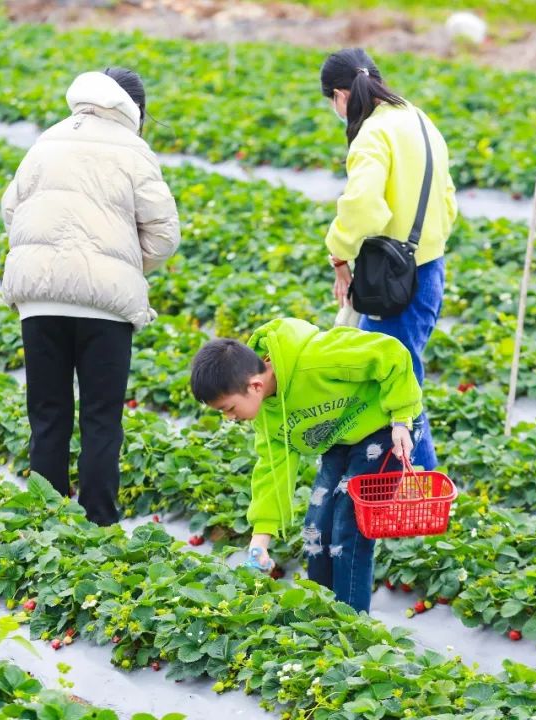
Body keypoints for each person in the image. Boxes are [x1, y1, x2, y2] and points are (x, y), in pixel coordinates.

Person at [0, 68, 180, 525]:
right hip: (105, 307)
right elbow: (164, 233)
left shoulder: (48, 139)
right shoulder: (133, 150)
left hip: (40, 300)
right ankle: (99, 524)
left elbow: (11, 209)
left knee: (47, 415)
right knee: (101, 418)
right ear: (137, 110)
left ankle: (47, 522)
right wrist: (121, 265)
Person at [190, 318, 422, 612]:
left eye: (229, 409)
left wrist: (401, 418)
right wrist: (260, 539)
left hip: (386, 430)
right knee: (316, 527)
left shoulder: (316, 359)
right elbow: (273, 470)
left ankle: (352, 621)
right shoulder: (266, 416)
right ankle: (324, 613)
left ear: (255, 385)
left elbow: (390, 353)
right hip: (340, 437)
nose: (230, 418)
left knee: (348, 525)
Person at [320, 48, 457, 471]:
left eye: (331, 102)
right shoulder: (419, 119)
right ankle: (406, 485)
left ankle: (421, 485)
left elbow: (364, 206)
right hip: (428, 268)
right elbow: (448, 200)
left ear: (341, 95)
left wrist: (339, 254)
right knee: (398, 379)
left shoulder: (373, 133)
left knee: (395, 389)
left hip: (394, 280)